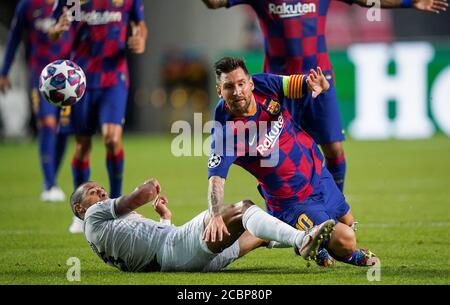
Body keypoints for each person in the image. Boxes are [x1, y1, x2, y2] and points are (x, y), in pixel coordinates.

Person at [201, 0, 448, 193]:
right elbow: (214, 3)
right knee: (273, 158)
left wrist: (410, 3)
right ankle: (284, 216)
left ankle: (334, 211)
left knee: (333, 149)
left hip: (319, 79)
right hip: (276, 88)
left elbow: (366, 1)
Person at [205, 57, 378, 268]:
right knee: (347, 240)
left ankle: (309, 241)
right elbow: (216, 179)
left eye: (241, 83)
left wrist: (315, 85)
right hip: (292, 201)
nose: (237, 91)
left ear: (250, 83)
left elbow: (296, 84)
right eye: (229, 86)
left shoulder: (263, 85)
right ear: (219, 91)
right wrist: (215, 215)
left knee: (348, 222)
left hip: (317, 174)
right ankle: (345, 254)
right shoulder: (226, 133)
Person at [70, 178, 335, 272]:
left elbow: (142, 250)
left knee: (257, 231)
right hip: (177, 250)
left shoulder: (101, 231)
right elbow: (139, 196)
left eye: (101, 188)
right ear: (79, 208)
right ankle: (303, 241)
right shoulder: (93, 216)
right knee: (243, 209)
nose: (101, 191)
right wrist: (147, 188)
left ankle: (314, 246)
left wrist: (165, 217)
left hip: (180, 257)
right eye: (93, 191)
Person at [49, 0, 148, 233]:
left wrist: (140, 38)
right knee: (83, 144)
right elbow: (53, 32)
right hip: (78, 81)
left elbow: (140, 25)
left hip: (114, 78)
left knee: (112, 139)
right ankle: (81, 212)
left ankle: (116, 206)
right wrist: (57, 29)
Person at [0, 0, 75, 202]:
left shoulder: (72, 4)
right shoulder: (27, 5)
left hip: (71, 79)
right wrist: (4, 71)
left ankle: (51, 179)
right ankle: (50, 184)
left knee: (63, 130)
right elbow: (15, 37)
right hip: (41, 76)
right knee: (47, 125)